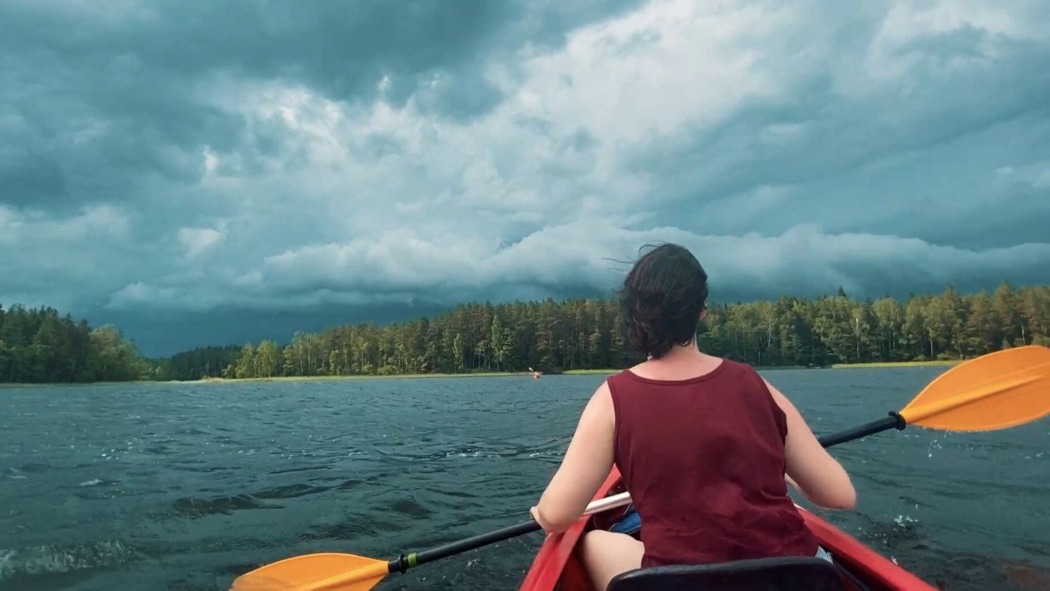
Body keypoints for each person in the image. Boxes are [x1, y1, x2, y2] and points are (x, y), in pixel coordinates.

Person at [529, 243, 856, 591]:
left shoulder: (613, 398)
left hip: (684, 584)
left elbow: (559, 514)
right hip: (793, 578)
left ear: (634, 314)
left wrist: (542, 514)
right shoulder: (755, 383)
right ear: (702, 311)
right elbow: (839, 494)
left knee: (593, 542)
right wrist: (790, 474)